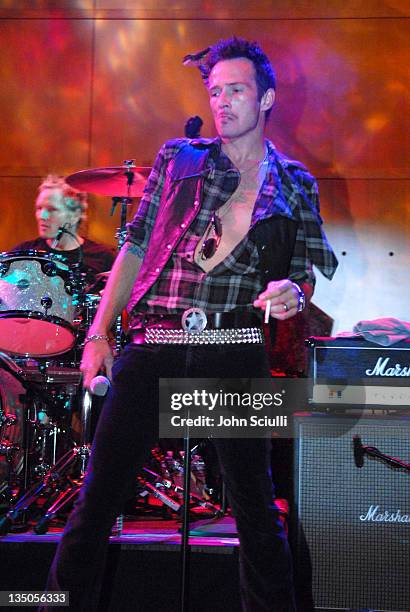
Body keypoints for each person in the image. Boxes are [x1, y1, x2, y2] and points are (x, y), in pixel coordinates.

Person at [41, 37, 338, 611]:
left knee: (254, 506)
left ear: (267, 97)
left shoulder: (295, 181)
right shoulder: (179, 157)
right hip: (155, 341)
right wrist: (100, 333)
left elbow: (303, 276)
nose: (223, 102)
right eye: (215, 91)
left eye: (236, 90)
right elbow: (134, 243)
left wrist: (291, 296)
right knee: (97, 500)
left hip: (233, 348)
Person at [12, 175, 115, 288]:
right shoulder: (22, 254)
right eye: (39, 208)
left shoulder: (103, 258)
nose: (42, 216)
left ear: (75, 215)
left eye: (52, 209)